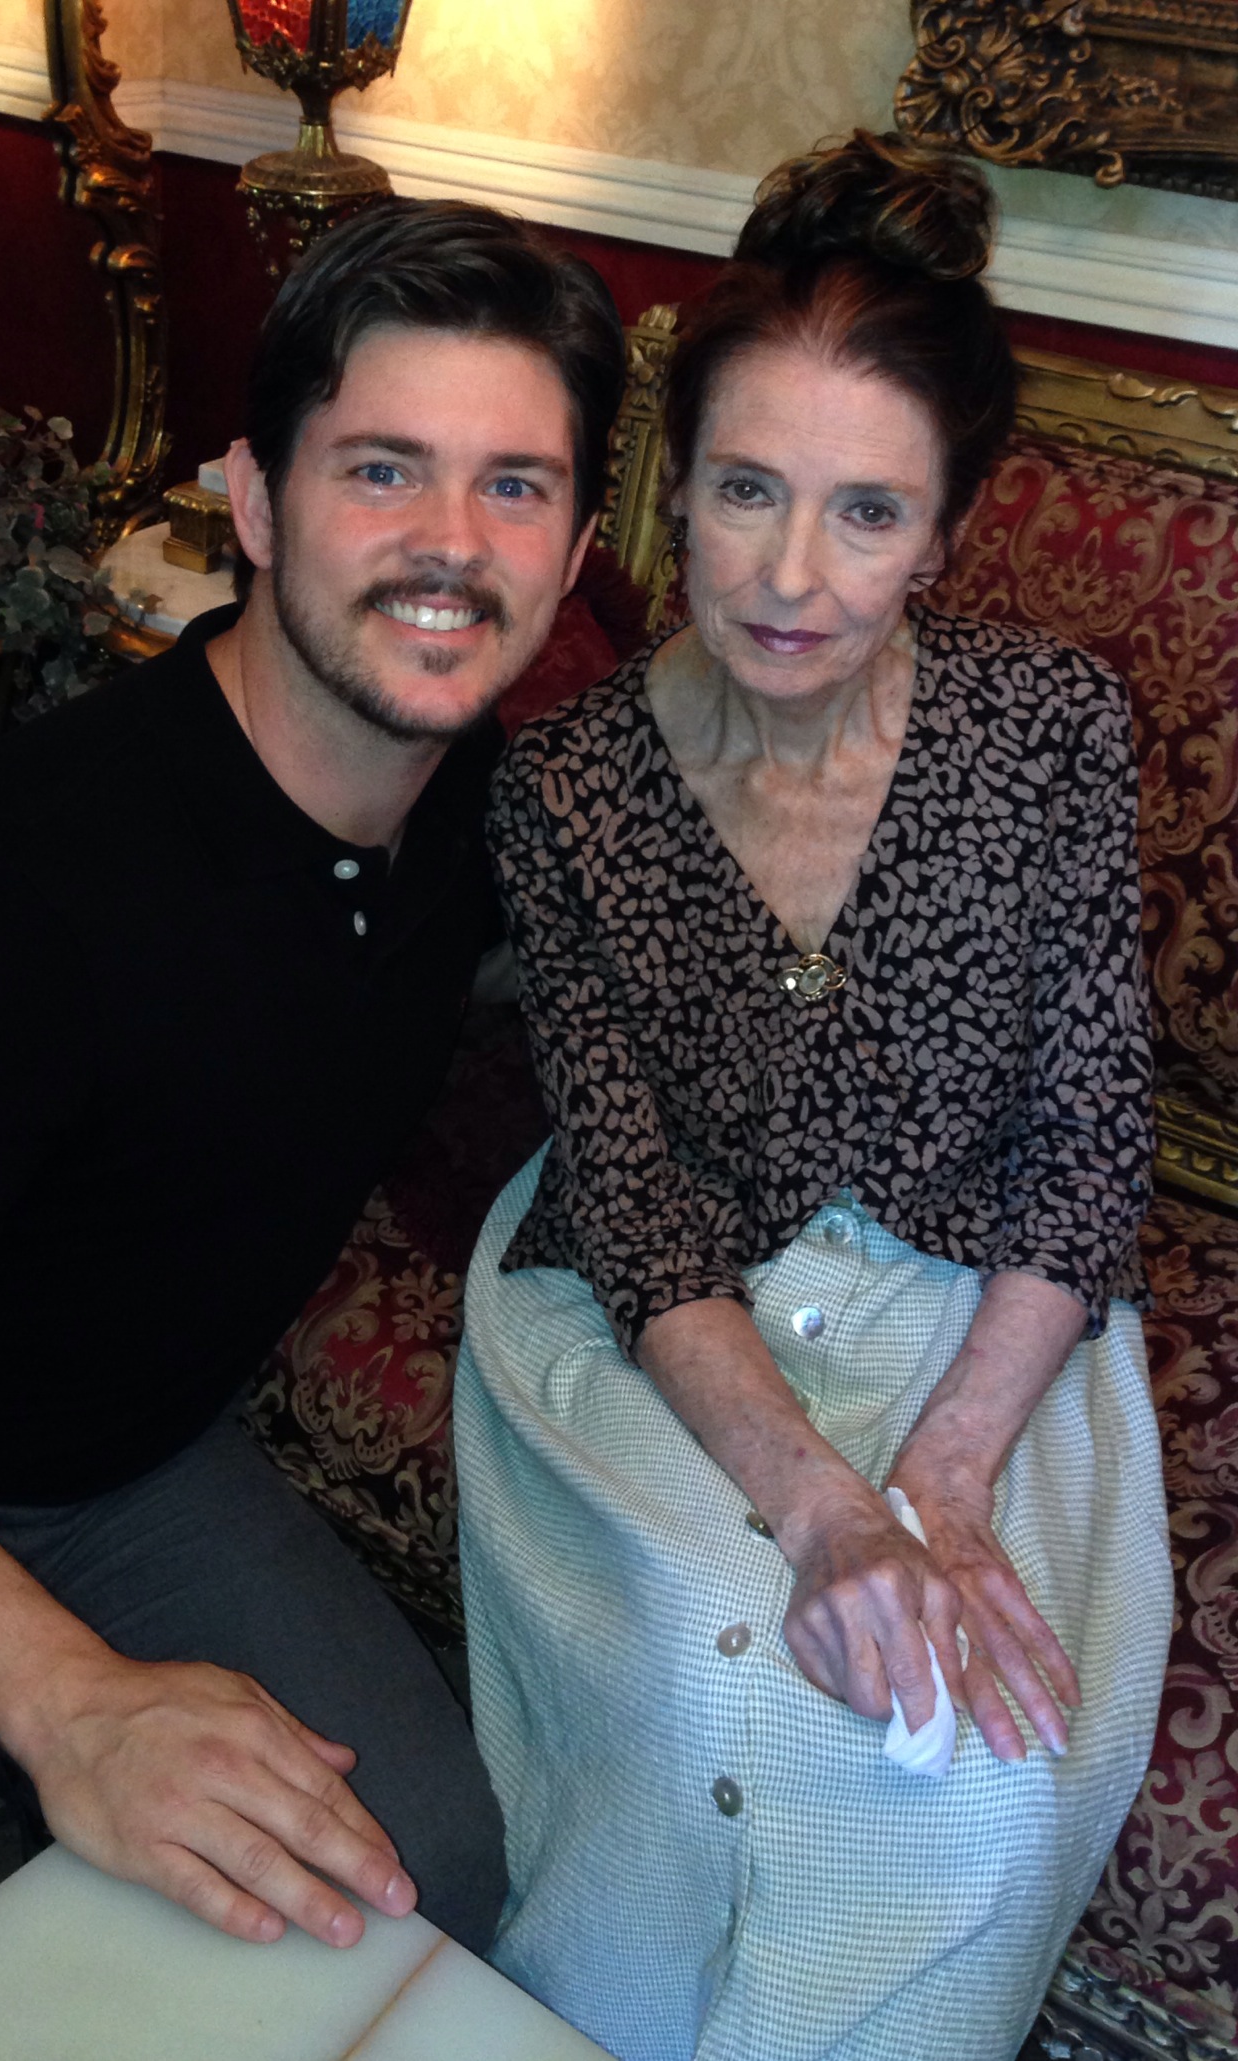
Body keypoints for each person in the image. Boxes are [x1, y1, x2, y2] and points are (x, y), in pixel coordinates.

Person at [0, 198, 626, 2061]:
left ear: (578, 548)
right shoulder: (17, 886)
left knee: (419, 1872)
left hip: (111, 1470)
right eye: (386, 469)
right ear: (258, 501)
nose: (453, 545)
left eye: (516, 487)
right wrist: (71, 1707)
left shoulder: (476, 810)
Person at [454, 133, 1172, 2061]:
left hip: (980, 1316)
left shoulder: (1048, 732)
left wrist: (936, 1477)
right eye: (748, 492)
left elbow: (1088, 1138)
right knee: (726, 1694)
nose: (790, 575)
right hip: (663, 1320)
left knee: (983, 1763)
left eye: (867, 514)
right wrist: (817, 1505)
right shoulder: (568, 790)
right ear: (668, 483)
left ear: (946, 529)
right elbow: (630, 1193)